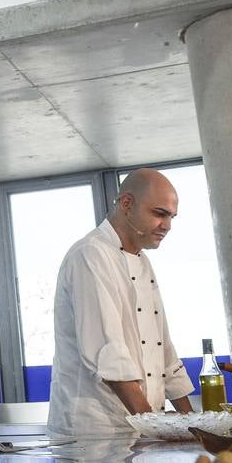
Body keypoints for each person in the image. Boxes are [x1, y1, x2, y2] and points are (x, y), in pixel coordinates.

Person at [47, 168, 194, 436]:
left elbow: (164, 353)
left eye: (171, 217)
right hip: (96, 433)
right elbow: (109, 353)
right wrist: (158, 429)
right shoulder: (90, 255)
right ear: (127, 204)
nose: (167, 226)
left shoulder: (143, 261)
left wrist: (195, 429)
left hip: (142, 427)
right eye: (159, 214)